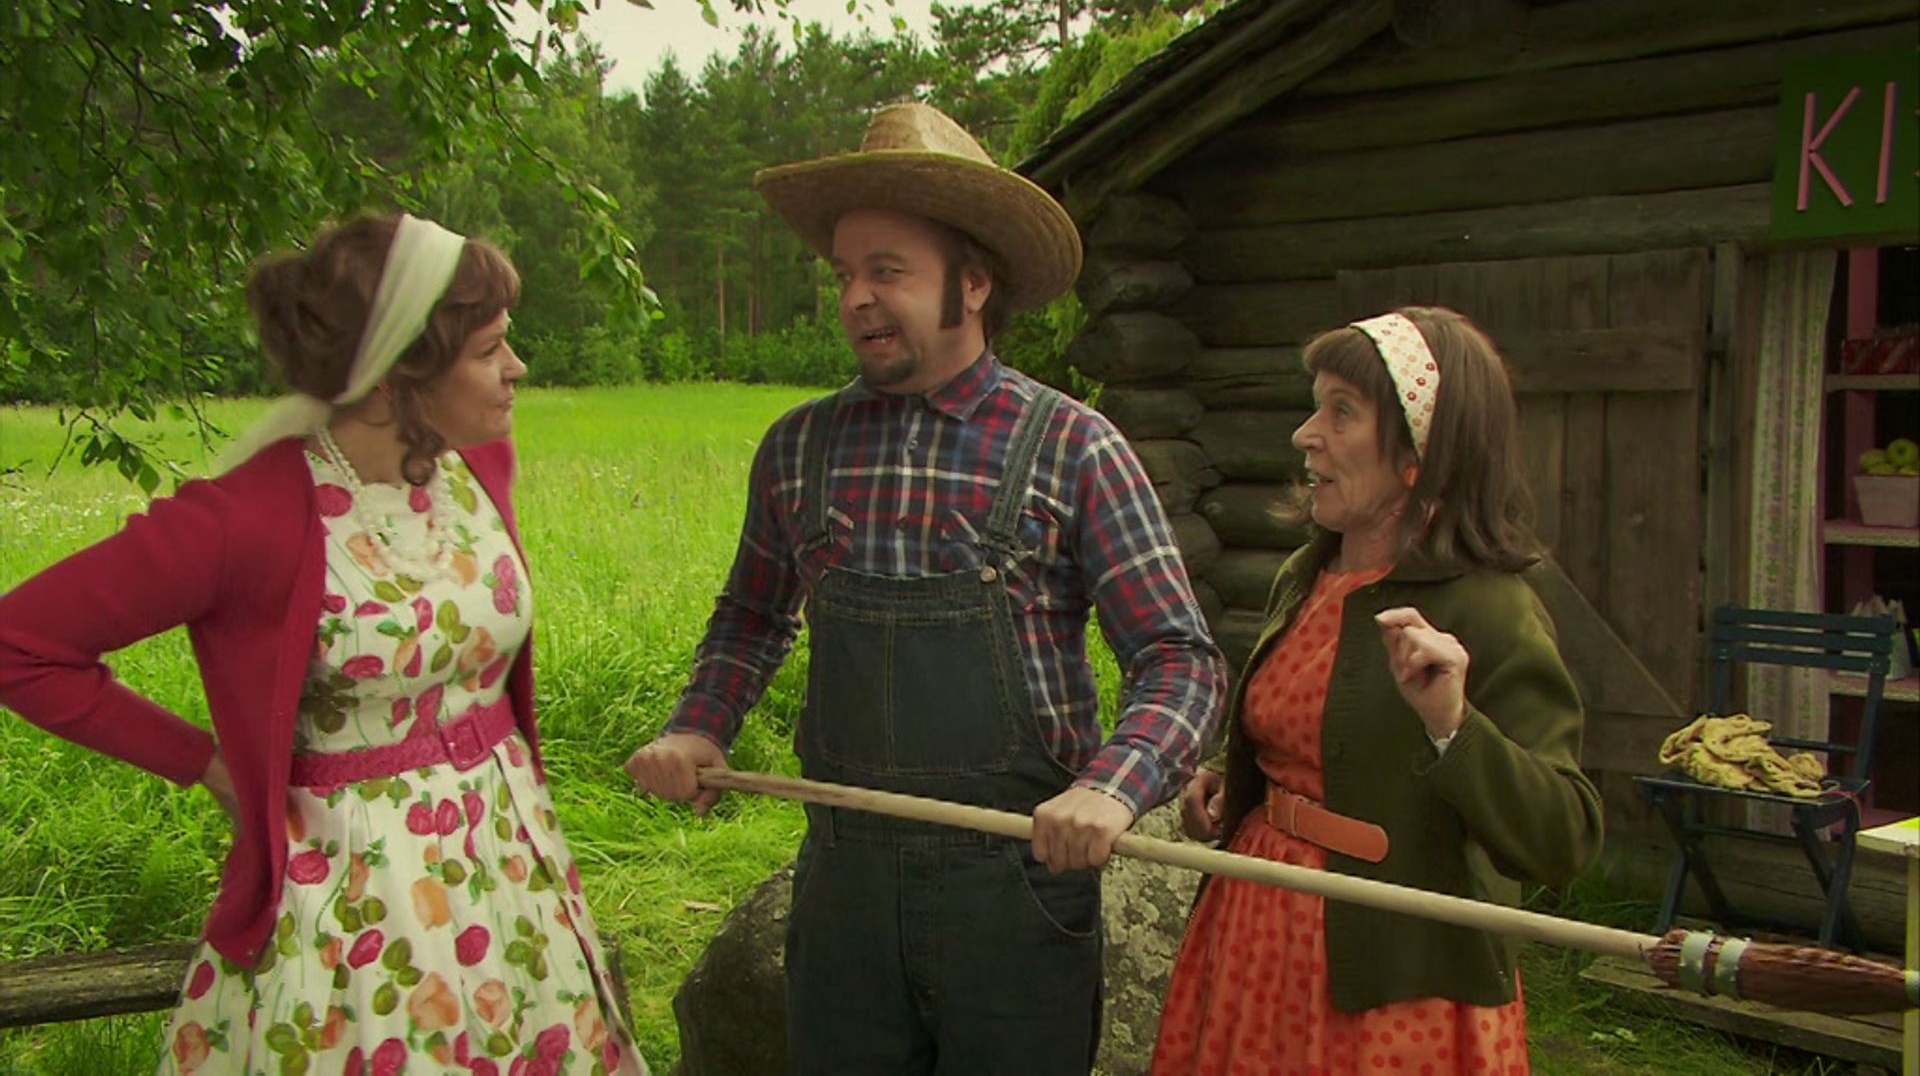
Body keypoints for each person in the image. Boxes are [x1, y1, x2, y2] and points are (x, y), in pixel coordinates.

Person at [625, 102, 1227, 1074]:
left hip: (1016, 889)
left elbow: (1179, 660)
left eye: (888, 271)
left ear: (974, 283)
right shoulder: (798, 448)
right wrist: (701, 726)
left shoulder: (1074, 447)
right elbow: (750, 618)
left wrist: (1110, 790)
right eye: (844, 274)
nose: (857, 298)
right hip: (846, 888)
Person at [0, 214, 646, 1075]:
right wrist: (209, 766)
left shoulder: (476, 467)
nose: (517, 367)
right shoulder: (241, 520)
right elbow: (19, 644)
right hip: (357, 899)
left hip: (510, 865)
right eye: (490, 349)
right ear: (390, 380)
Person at [1150, 307, 1604, 1074]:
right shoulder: (1306, 576)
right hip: (1255, 937)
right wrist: (1236, 785)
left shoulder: (1489, 609)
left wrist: (1453, 724)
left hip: (1393, 987)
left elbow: (1563, 839)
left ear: (1420, 453)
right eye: (1315, 406)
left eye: (1342, 412)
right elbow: (1318, 741)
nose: (1306, 435)